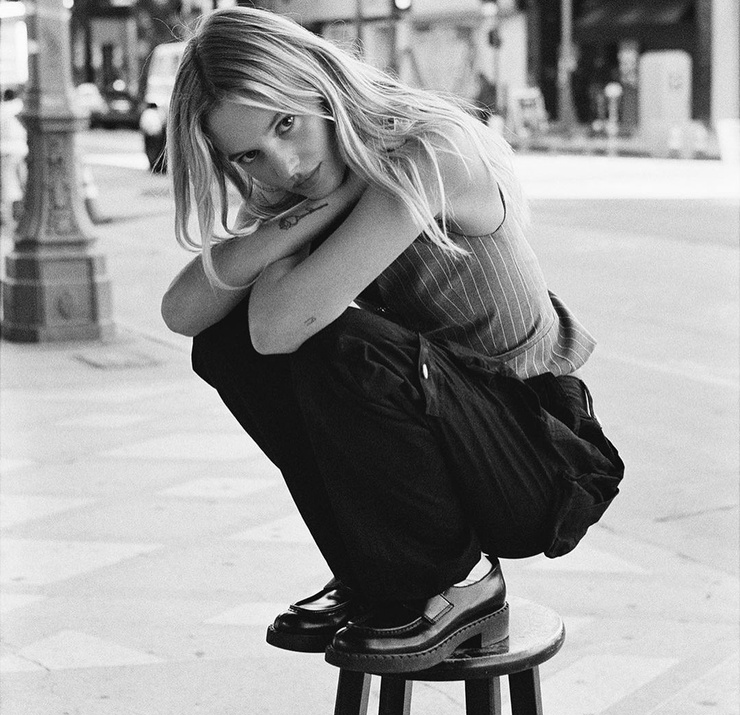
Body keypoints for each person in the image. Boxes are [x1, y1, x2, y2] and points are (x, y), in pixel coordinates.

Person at [161, 7, 624, 674]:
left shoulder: (430, 150)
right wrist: (307, 214)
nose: (285, 165)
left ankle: (460, 583)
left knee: (342, 346)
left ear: (320, 85)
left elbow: (280, 325)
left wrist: (297, 232)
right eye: (250, 154)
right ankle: (371, 568)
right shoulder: (306, 183)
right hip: (457, 439)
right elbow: (183, 312)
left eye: (286, 123)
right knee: (223, 345)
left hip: (541, 457)